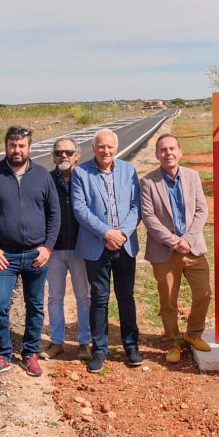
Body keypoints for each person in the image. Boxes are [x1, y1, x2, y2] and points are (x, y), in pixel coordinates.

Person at [0, 126, 60, 377]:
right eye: (12, 145)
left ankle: (30, 353)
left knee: (34, 305)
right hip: (4, 257)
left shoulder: (43, 176)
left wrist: (47, 248)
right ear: (6, 146)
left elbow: (54, 215)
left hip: (36, 255)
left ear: (29, 148)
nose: (17, 150)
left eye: (22, 145)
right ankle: (2, 355)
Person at [71, 129, 142, 373]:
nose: (106, 151)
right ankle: (100, 348)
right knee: (99, 299)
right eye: (101, 146)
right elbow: (80, 210)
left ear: (116, 147)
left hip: (125, 244)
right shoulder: (81, 172)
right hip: (96, 246)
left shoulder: (128, 170)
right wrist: (106, 234)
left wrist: (121, 234)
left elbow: (135, 207)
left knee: (126, 297)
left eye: (110, 146)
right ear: (94, 148)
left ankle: (131, 345)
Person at [140, 133, 211, 365]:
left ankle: (193, 333)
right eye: (163, 150)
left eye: (172, 149)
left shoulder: (193, 176)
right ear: (157, 155)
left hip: (193, 248)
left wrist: (188, 239)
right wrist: (173, 241)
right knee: (168, 301)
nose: (168, 153)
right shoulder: (148, 182)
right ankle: (173, 341)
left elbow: (202, 210)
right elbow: (149, 217)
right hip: (164, 251)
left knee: (203, 294)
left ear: (180, 152)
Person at [41, 138, 92, 361]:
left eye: (68, 152)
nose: (64, 156)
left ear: (77, 155)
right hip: (54, 250)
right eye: (59, 152)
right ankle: (57, 341)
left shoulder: (85, 179)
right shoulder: (45, 180)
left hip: (81, 249)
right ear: (53, 156)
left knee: (84, 297)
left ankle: (84, 342)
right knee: (54, 297)